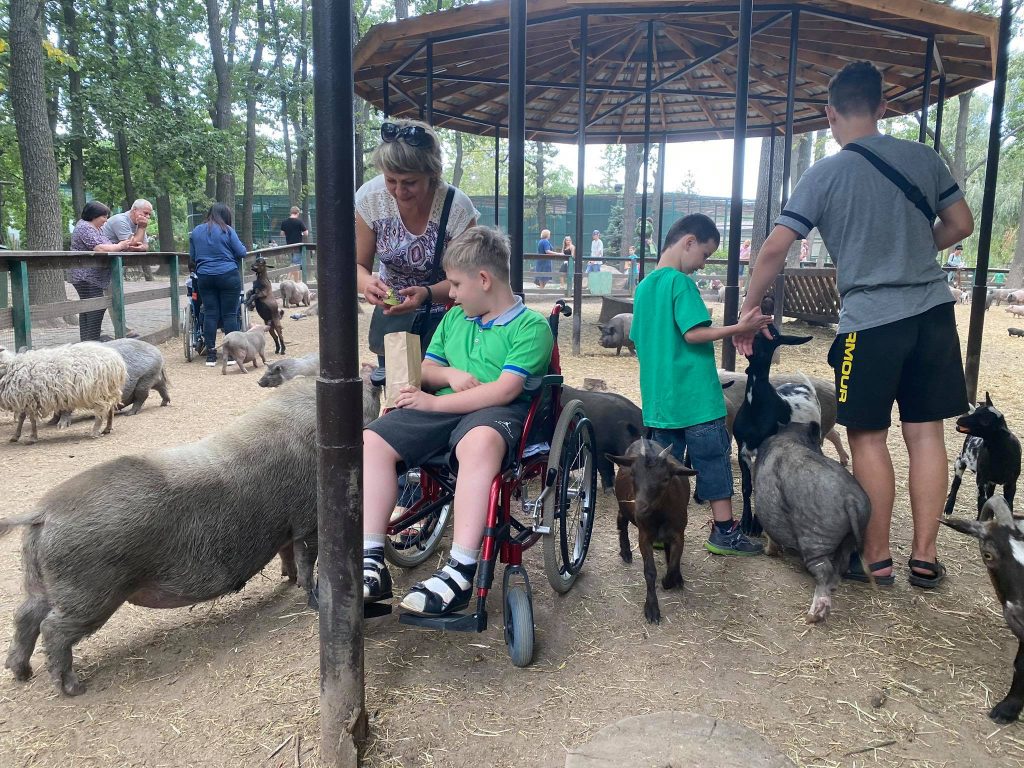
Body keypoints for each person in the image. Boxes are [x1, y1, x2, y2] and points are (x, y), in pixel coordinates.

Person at [735, 61, 975, 589]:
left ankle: (878, 557)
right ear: (883, 108)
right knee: (926, 434)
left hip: (870, 322)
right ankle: (926, 557)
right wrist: (912, 253)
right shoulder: (923, 158)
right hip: (932, 315)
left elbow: (775, 247)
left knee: (868, 437)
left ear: (830, 114)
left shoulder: (823, 174)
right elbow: (961, 224)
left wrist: (750, 310)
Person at [359, 226, 553, 616]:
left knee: (477, 444)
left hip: (496, 414)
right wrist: (448, 378)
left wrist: (431, 405)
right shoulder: (453, 320)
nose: (451, 292)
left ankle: (462, 567)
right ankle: (370, 557)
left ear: (484, 280)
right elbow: (428, 369)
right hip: (442, 406)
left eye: (457, 284)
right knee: (372, 441)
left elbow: (503, 391)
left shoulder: (532, 327)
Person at [630, 213, 770, 556]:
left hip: (660, 402)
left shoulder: (644, 287)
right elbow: (693, 333)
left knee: (666, 469)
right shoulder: (680, 284)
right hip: (696, 399)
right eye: (705, 255)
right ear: (688, 242)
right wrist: (738, 328)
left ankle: (662, 530)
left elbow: (638, 341)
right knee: (712, 461)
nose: (702, 265)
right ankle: (724, 531)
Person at [356, 118, 479, 367]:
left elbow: (470, 280)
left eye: (410, 182)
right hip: (393, 318)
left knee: (441, 395)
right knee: (399, 392)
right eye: (391, 180)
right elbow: (357, 264)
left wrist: (427, 293)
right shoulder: (370, 198)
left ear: (431, 175)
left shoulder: (457, 208)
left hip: (447, 318)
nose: (399, 191)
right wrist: (367, 284)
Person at [189, 203, 247, 367]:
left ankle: (211, 355)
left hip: (205, 276)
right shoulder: (227, 230)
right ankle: (230, 355)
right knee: (229, 314)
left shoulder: (196, 232)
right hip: (228, 275)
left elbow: (192, 257)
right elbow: (241, 252)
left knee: (210, 313)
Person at [69, 201, 137, 342]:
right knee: (95, 308)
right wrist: (120, 245)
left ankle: (88, 341)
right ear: (94, 215)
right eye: (104, 217)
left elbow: (109, 245)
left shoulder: (96, 229)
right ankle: (91, 341)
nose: (106, 220)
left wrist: (122, 245)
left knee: (89, 308)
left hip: (93, 277)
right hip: (86, 277)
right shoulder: (84, 228)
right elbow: (99, 248)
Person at [280, 206, 309, 280]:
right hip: (297, 246)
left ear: (290, 212)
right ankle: (288, 278)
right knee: (296, 264)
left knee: (294, 263)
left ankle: (295, 281)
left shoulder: (284, 222)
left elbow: (282, 234)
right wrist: (301, 233)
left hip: (288, 246)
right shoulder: (299, 222)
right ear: (297, 213)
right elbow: (306, 233)